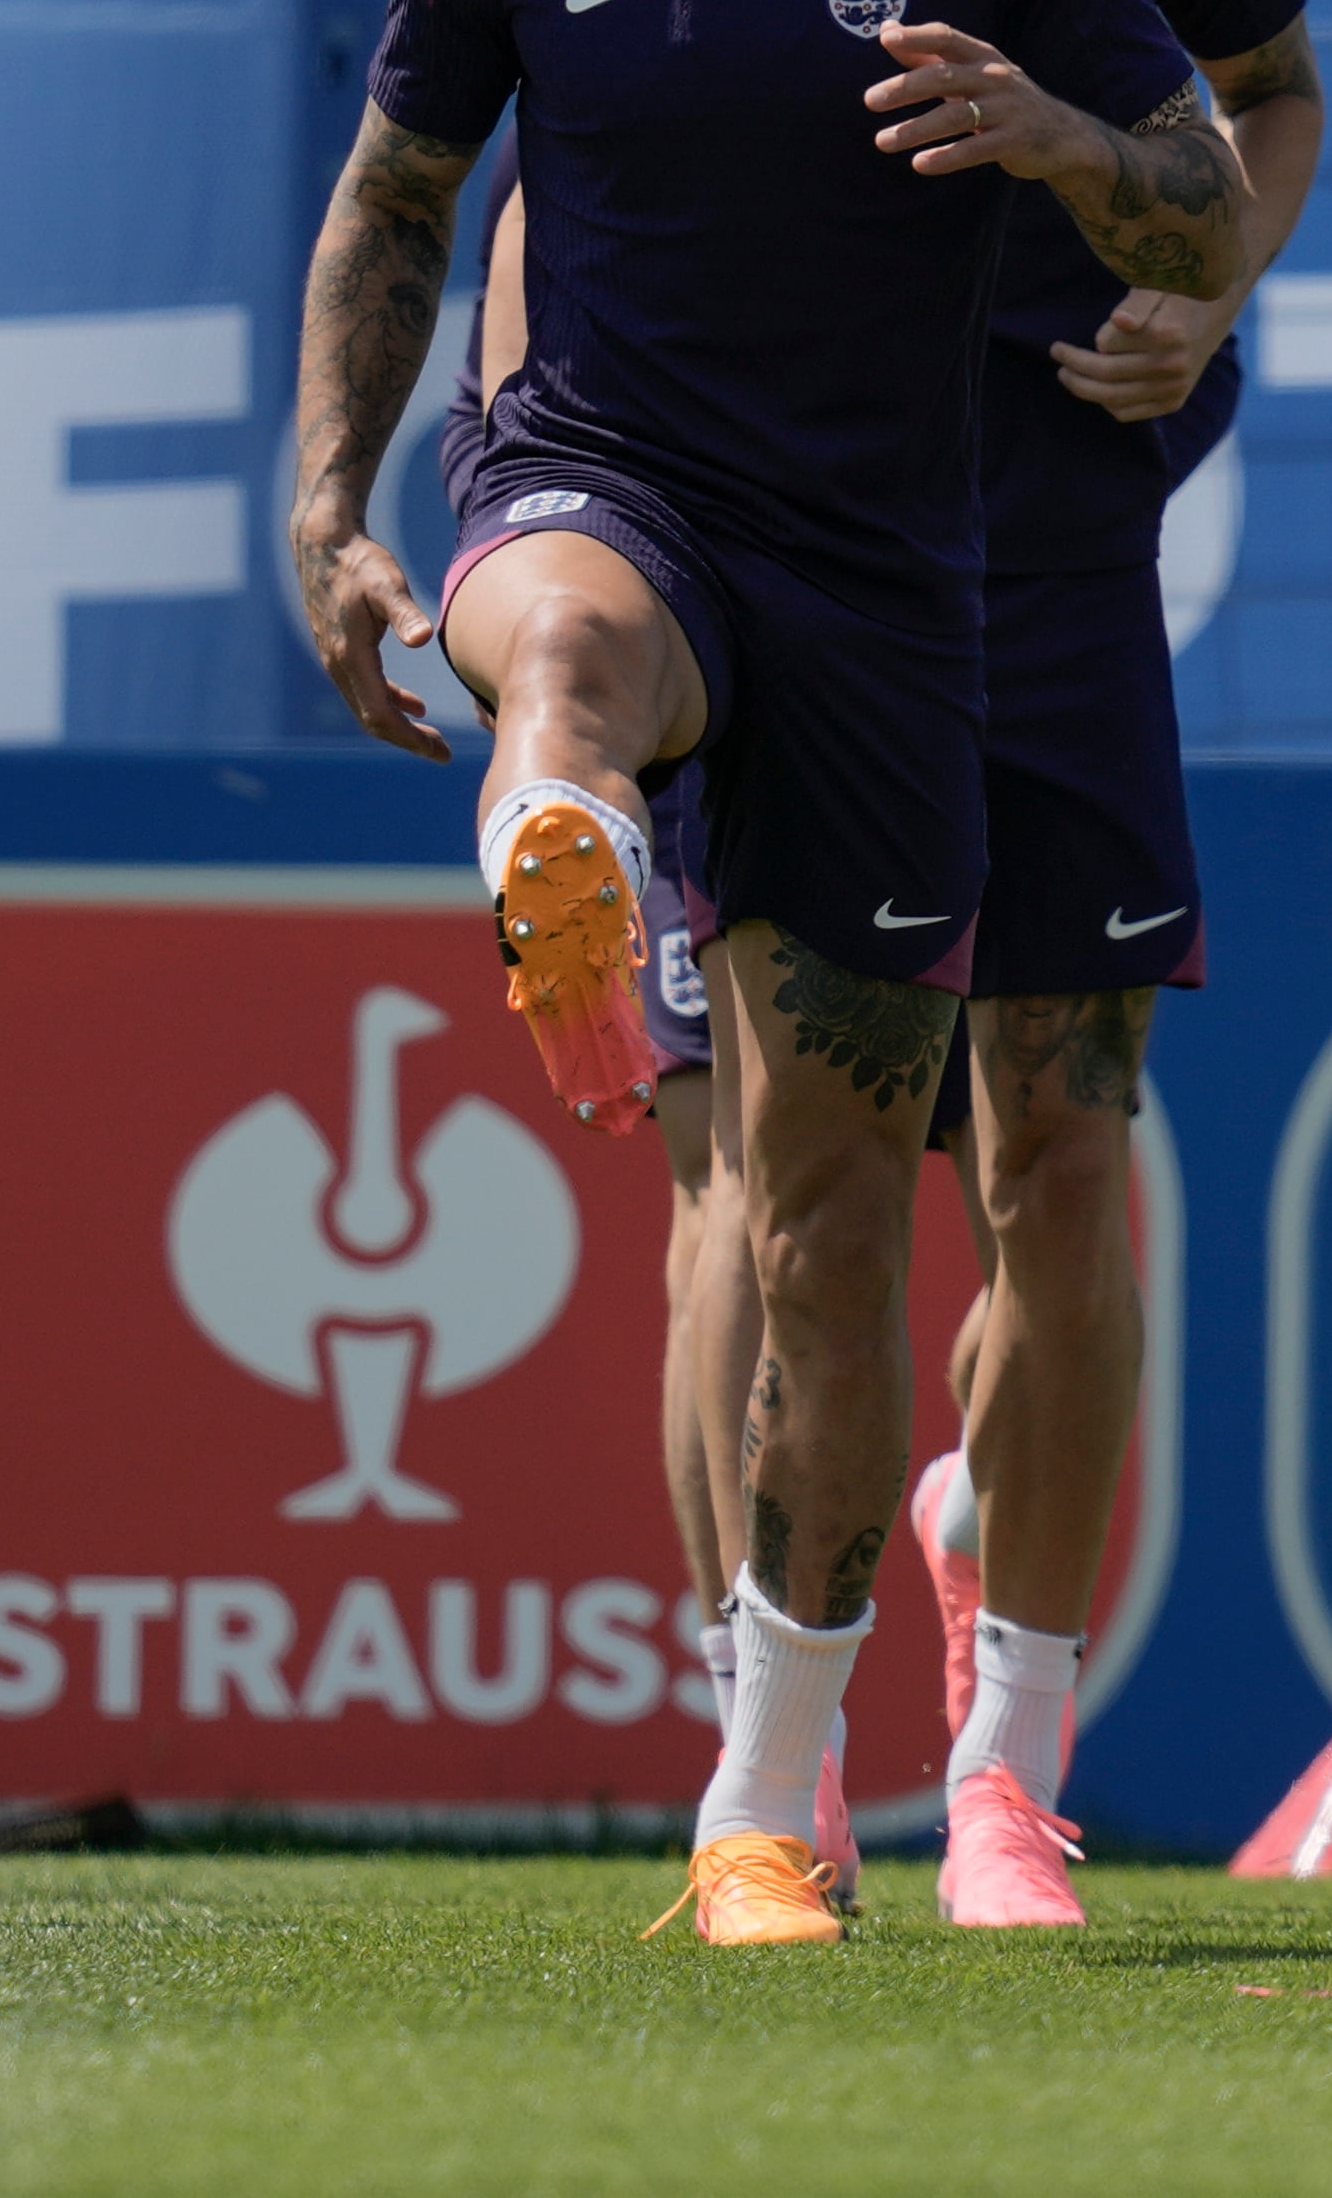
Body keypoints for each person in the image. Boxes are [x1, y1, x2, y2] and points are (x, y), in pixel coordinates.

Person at [284, 0, 1242, 1947]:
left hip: (904, 593)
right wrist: (325, 505)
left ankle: (772, 1798)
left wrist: (1052, 136)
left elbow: (1207, 187)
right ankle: (557, 829)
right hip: (611, 482)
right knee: (570, 632)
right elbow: (396, 200)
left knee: (839, 1240)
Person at [801, 0, 1325, 1928]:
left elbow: (1272, 103)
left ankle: (1005, 1771)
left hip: (1060, 552)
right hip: (782, 574)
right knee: (775, 1195)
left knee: (1066, 1160)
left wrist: (1206, 288)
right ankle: (767, 1769)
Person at [428, 178, 834, 1879]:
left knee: (817, 1188)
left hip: (875, 627)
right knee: (744, 1187)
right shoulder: (581, 141)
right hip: (688, 640)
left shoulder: (971, 29)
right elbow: (515, 444)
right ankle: (765, 1739)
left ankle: (837, 1717)